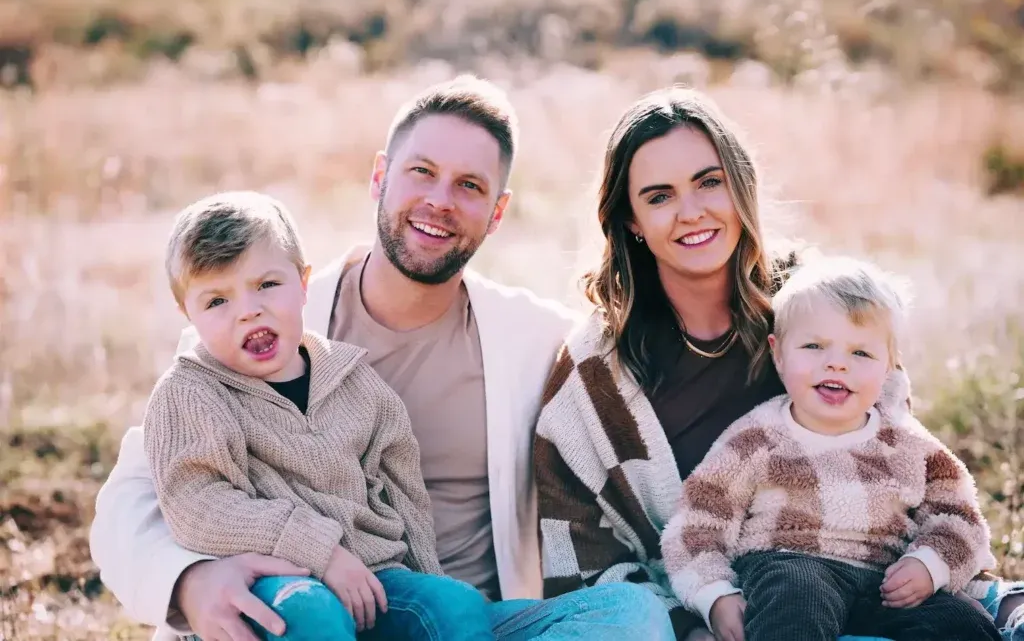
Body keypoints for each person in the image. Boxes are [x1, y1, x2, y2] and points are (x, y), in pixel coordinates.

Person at [89, 75, 676, 641]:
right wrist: (191, 582)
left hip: (450, 615)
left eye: (469, 186)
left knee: (633, 615)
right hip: (295, 608)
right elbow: (133, 499)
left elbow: (651, 426)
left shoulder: (537, 341)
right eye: (421, 172)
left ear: (496, 213)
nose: (438, 201)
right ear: (380, 176)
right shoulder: (252, 317)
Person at [533, 85, 1024, 641]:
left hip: (875, 584)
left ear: (742, 185)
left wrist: (936, 568)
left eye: (709, 182)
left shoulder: (820, 307)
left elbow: (903, 464)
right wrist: (690, 623)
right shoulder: (598, 374)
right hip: (718, 609)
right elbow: (582, 559)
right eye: (659, 196)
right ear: (631, 222)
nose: (691, 212)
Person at [144, 190, 494, 640]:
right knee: (311, 614)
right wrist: (319, 551)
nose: (248, 311)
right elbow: (196, 504)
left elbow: (406, 498)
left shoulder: (356, 382)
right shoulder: (190, 393)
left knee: (454, 607)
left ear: (304, 281)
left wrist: (428, 586)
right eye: (217, 302)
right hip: (274, 580)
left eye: (267, 285)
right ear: (186, 313)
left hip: (375, 577)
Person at [661, 255, 1001, 640]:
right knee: (796, 597)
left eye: (860, 353)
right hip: (789, 564)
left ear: (888, 365)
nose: (836, 364)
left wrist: (929, 564)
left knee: (962, 623)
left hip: (886, 582)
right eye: (814, 346)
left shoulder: (907, 442)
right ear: (778, 352)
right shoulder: (756, 439)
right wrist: (716, 595)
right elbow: (694, 526)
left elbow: (960, 516)